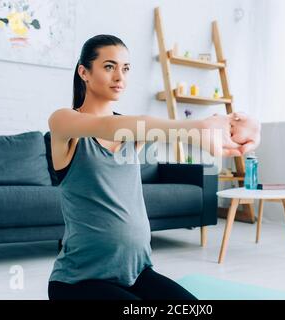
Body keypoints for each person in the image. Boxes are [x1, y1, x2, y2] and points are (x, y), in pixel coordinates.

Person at [47, 35, 261, 300]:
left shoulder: (133, 131)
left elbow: (173, 132)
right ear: (84, 72)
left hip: (136, 274)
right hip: (79, 281)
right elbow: (112, 126)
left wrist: (238, 129)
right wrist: (198, 127)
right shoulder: (64, 123)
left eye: (125, 68)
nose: (120, 77)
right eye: (109, 66)